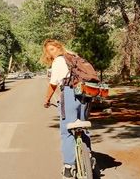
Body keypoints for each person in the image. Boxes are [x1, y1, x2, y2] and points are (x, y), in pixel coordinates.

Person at [41, 39, 90, 179]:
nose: (51, 53)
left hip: (69, 93)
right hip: (85, 94)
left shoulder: (58, 61)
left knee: (67, 130)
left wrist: (47, 99)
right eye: (49, 51)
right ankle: (90, 157)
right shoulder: (74, 57)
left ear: (58, 47)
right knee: (83, 126)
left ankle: (69, 167)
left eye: (52, 49)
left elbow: (53, 84)